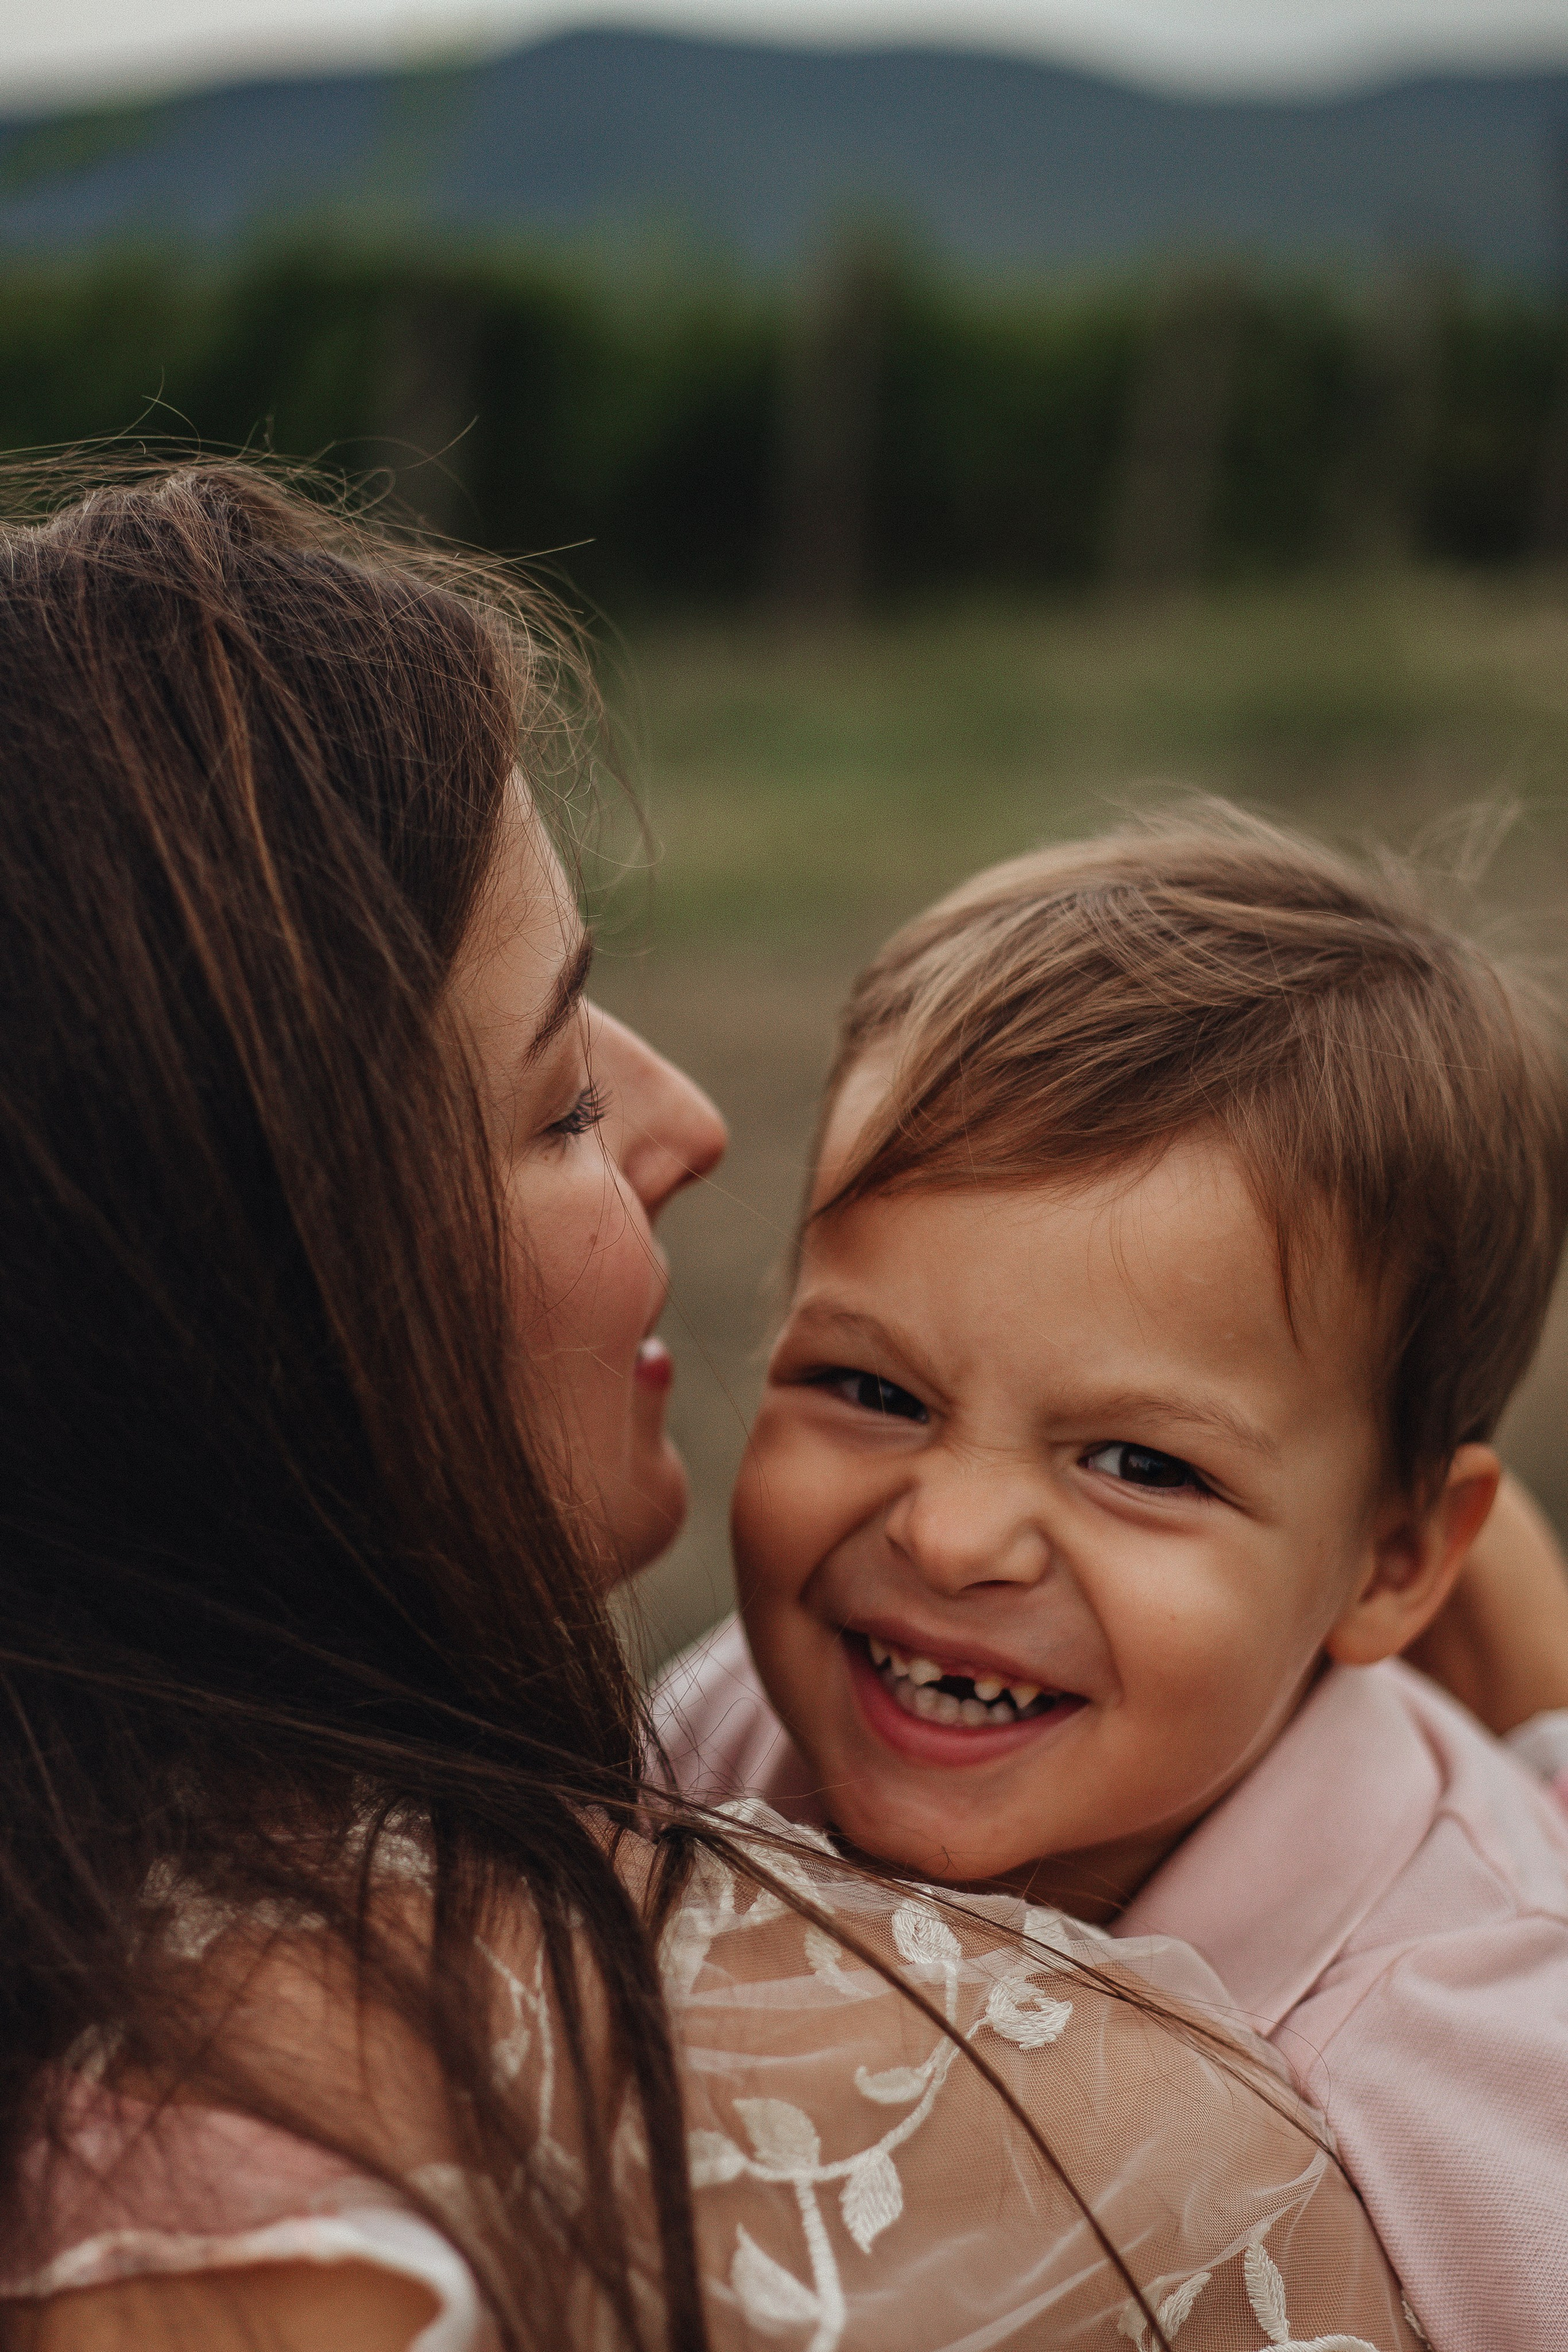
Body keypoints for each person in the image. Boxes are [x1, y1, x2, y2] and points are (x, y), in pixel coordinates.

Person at [0, 462, 1427, 2352]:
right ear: (258, 1302)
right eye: (560, 1102)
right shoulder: (1107, 2178)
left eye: (1141, 1463)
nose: (689, 1125)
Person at [654, 815, 1568, 2351]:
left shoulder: (1446, 2069)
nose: (949, 1539)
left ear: (1395, 1562)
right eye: (872, 1392)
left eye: (1140, 1466)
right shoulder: (724, 1729)